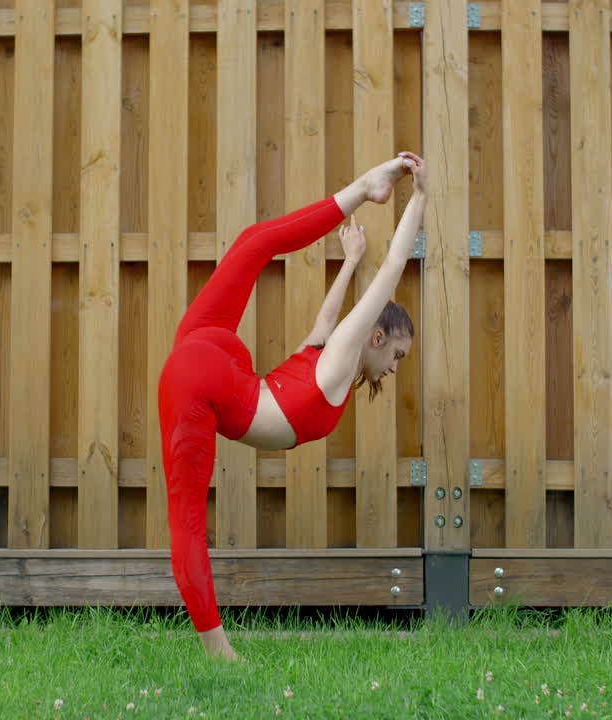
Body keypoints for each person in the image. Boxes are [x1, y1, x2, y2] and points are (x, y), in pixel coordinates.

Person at [158, 151, 428, 660]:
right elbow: (393, 266)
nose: (396, 367)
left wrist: (348, 262)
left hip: (206, 346)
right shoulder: (343, 358)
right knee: (187, 519)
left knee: (254, 243)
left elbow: (326, 321)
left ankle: (361, 187)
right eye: (397, 354)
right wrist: (421, 199)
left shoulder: (323, 355)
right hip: (203, 381)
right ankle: (220, 656)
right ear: (374, 337)